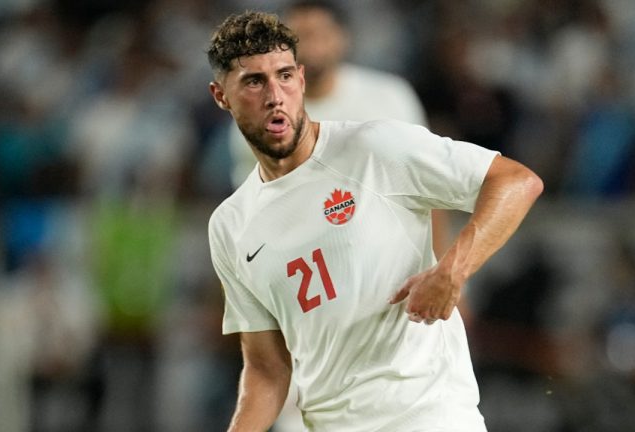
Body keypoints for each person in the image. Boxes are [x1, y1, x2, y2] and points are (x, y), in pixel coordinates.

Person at [206, 11, 543, 432]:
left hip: (427, 418)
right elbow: (267, 370)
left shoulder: (373, 147)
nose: (275, 95)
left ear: (303, 79)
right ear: (221, 96)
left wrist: (453, 269)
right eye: (254, 81)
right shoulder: (230, 226)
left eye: (285, 76)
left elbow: (516, 182)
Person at [227, 0, 427, 186]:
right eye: (299, 37)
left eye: (320, 35)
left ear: (342, 39)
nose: (311, 46)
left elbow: (426, 179)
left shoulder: (390, 96)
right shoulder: (257, 118)